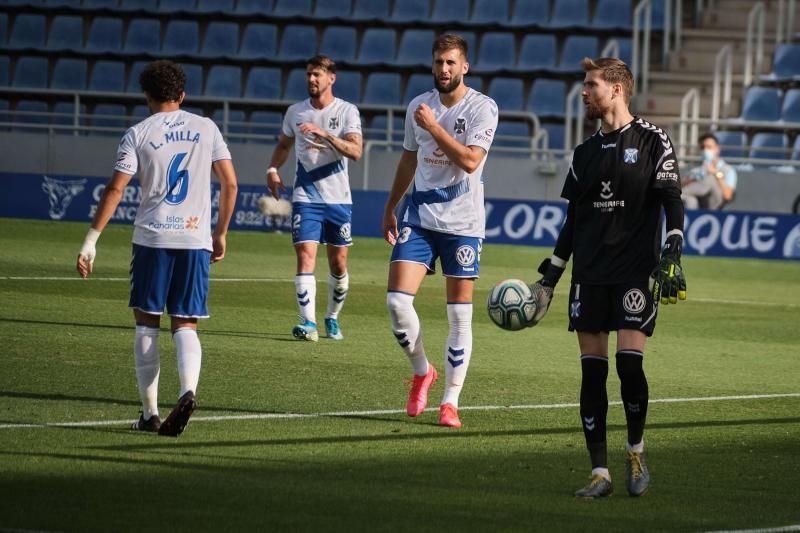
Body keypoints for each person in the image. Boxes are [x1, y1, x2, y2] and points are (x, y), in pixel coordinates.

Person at [529, 57, 687, 498]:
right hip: (590, 276)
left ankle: (635, 448)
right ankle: (600, 472)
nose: (584, 92)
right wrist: (551, 279)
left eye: (591, 84)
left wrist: (673, 243)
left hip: (635, 272)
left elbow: (672, 199)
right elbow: (572, 221)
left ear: (616, 89)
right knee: (592, 374)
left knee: (629, 366)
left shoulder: (654, 140)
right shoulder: (584, 153)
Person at [76, 60, 238, 437]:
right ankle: (188, 391)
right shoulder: (207, 127)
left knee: (147, 323)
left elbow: (116, 189)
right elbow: (230, 184)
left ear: (147, 96)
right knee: (186, 322)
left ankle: (150, 414)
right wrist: (221, 233)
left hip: (152, 238)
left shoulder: (137, 133)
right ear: (182, 95)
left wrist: (91, 241)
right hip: (195, 238)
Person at [382, 34, 498, 429]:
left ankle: (450, 401)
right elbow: (408, 159)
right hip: (420, 216)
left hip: (464, 224)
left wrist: (434, 128)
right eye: (438, 63)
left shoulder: (483, 108)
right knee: (397, 303)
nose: (443, 70)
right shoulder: (418, 105)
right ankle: (422, 371)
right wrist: (390, 206)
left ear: (465, 66)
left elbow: (469, 161)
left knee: (458, 317)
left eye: (451, 63)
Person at [266, 55, 363, 342]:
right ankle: (308, 323)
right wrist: (273, 169)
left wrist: (326, 134)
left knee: (338, 263)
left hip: (338, 199)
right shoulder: (295, 112)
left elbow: (356, 152)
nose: (311, 79)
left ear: (331, 78)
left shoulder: (347, 111)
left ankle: (332, 317)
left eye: (317, 75)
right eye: (309, 74)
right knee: (306, 255)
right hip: (305, 196)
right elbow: (284, 144)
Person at [681, 132, 737, 209]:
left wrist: (715, 173)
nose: (705, 150)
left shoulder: (728, 170)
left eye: (709, 147)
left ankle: (675, 194)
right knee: (691, 201)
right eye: (703, 147)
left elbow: (728, 195)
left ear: (717, 149)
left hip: (715, 205)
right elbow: (682, 185)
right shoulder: (695, 169)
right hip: (696, 205)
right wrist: (693, 179)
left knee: (709, 178)